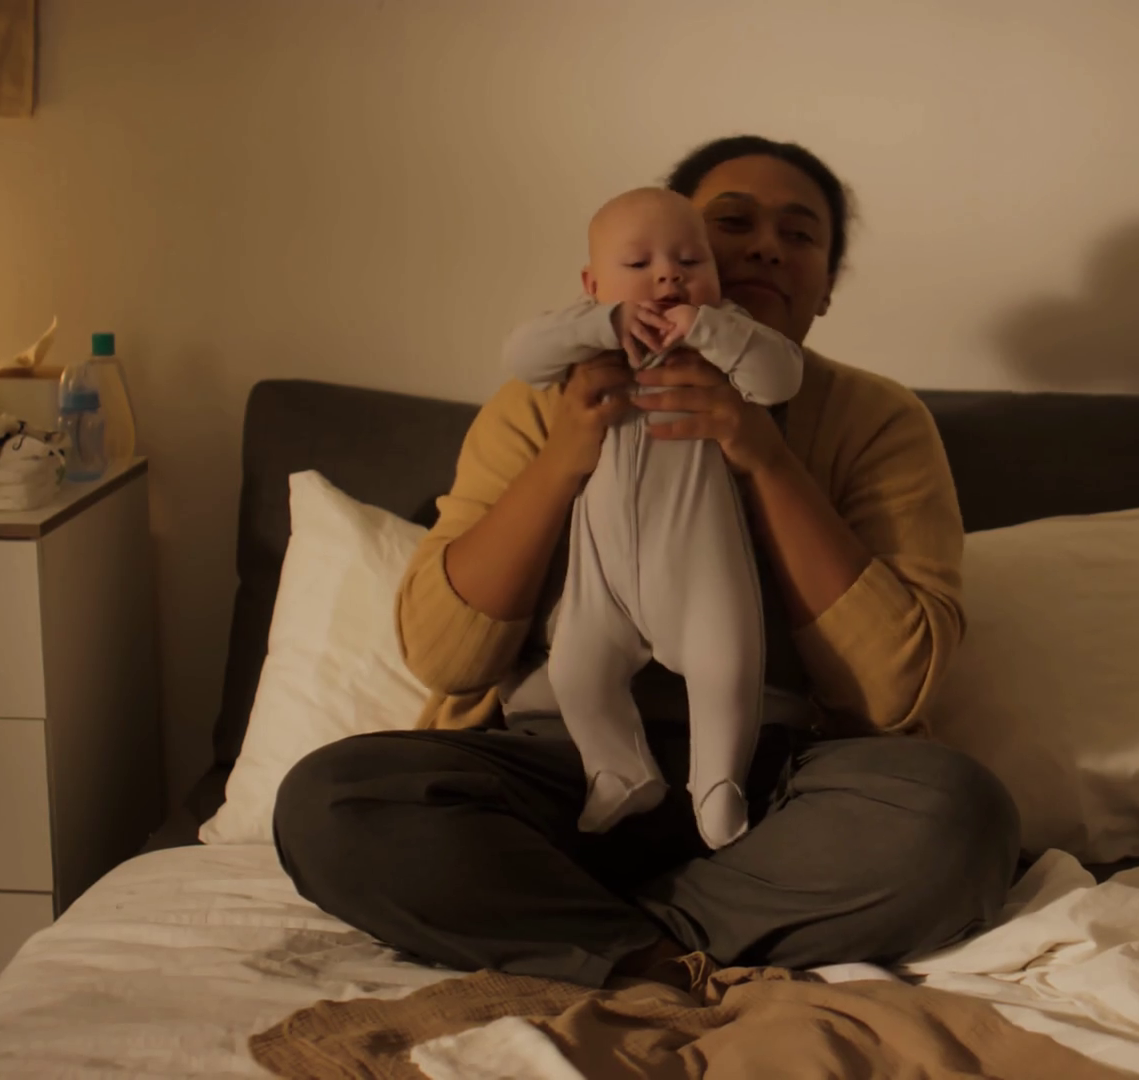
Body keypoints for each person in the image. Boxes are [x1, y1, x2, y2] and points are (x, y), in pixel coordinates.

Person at [273, 135, 1020, 988]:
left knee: (958, 817)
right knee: (334, 801)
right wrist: (568, 452)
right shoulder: (544, 396)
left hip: (775, 783)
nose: (765, 248)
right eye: (730, 224)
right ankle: (668, 943)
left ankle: (609, 943)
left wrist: (764, 456)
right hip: (554, 772)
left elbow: (893, 687)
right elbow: (447, 655)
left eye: (800, 235)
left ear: (825, 287)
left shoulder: (876, 417)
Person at [501, 186, 805, 849]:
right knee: (575, 670)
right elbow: (520, 357)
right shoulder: (585, 337)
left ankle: (717, 787)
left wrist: (710, 329)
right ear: (593, 285)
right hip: (602, 574)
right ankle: (618, 770)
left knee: (727, 668)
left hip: (698, 564)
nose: (668, 276)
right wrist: (600, 325)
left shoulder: (724, 334)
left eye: (690, 261)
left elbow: (780, 377)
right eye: (638, 264)